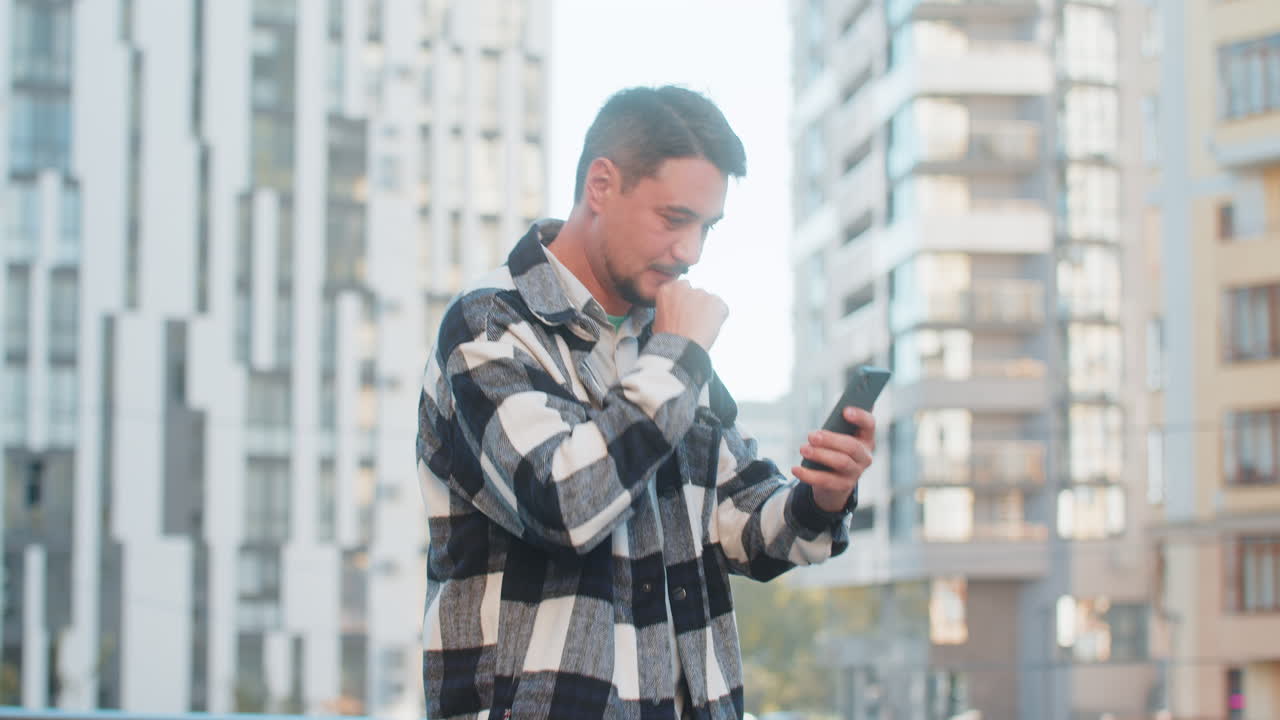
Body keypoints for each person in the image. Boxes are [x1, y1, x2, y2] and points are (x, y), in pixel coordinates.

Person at [416, 85, 877, 720]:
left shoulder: (664, 347)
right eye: (674, 219)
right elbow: (566, 504)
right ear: (601, 185)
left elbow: (742, 527)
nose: (691, 252)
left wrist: (822, 495)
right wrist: (678, 356)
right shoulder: (490, 326)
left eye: (706, 228)